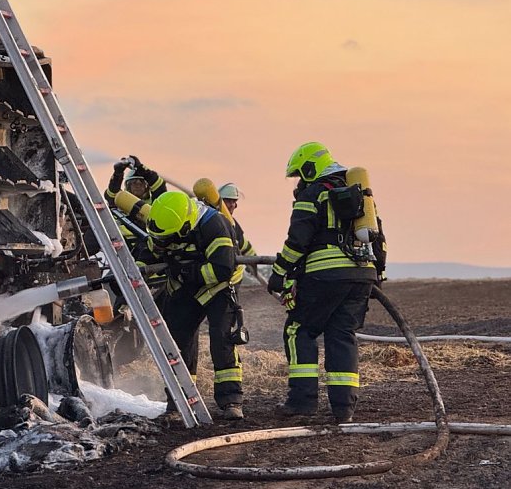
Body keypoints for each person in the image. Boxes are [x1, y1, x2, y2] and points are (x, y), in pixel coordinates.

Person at [266, 142, 383, 424]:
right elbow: (379, 238)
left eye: (300, 175)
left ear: (310, 169)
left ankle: (302, 402)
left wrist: (279, 273)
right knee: (342, 334)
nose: (299, 182)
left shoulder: (313, 193)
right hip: (362, 275)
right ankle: (344, 409)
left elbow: (298, 240)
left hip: (325, 275)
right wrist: (377, 275)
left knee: (300, 329)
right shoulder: (360, 194)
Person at [140, 190, 244, 420]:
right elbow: (149, 251)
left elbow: (222, 269)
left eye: (167, 239)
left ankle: (231, 401)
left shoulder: (214, 225)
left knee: (222, 339)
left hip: (218, 287)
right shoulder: (165, 225)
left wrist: (186, 272)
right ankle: (179, 401)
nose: (163, 243)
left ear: (186, 227)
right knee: (177, 342)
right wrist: (135, 270)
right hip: (185, 287)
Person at [217, 182, 259, 286]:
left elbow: (244, 245)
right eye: (228, 201)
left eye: (234, 201)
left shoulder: (233, 224)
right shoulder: (212, 222)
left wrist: (253, 260)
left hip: (232, 279)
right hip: (217, 276)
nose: (232, 205)